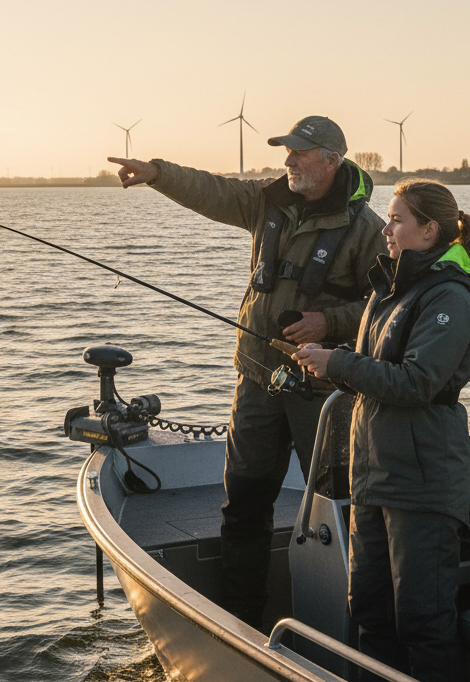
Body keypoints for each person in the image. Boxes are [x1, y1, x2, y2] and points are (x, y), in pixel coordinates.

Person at [108, 115, 386, 627]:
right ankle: (242, 620)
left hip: (322, 394)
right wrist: (157, 173)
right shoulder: (267, 200)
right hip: (257, 380)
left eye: (300, 153)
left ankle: (358, 627)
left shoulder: (367, 230)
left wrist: (330, 321)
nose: (289, 160)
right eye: (287, 151)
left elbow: (385, 307)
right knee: (243, 503)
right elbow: (212, 192)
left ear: (331, 160)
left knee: (340, 507)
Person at [294, 179, 470, 682]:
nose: (386, 230)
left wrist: (338, 363)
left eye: (398, 220)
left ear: (429, 230)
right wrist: (330, 357)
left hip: (422, 484)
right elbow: (375, 369)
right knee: (371, 611)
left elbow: (417, 381)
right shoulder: (392, 288)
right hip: (375, 475)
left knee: (423, 620)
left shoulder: (450, 295)